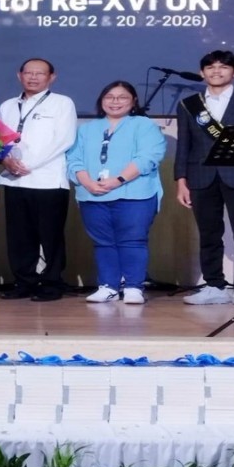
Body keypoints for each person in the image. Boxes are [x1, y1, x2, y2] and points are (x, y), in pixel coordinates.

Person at [175, 50, 234, 307]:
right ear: (202, 72)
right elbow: (183, 146)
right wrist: (181, 180)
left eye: (223, 67)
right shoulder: (189, 104)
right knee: (208, 233)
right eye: (210, 67)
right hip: (200, 177)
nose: (216, 71)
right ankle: (214, 285)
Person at [67, 81, 166, 304]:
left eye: (122, 97)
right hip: (92, 194)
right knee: (103, 242)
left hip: (134, 194)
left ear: (133, 101)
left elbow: (148, 156)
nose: (115, 101)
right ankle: (108, 286)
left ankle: (133, 287)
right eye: (109, 97)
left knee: (133, 241)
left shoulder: (144, 125)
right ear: (101, 101)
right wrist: (87, 183)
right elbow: (74, 159)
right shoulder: (87, 129)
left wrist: (118, 180)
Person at [0, 58, 77, 302]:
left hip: (48, 180)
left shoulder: (62, 103)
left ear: (51, 77)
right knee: (19, 236)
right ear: (19, 75)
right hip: (14, 180)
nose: (33, 77)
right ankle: (24, 282)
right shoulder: (7, 105)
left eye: (39, 73)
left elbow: (64, 140)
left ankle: (52, 283)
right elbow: (0, 141)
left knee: (50, 235)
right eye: (28, 73)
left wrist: (28, 165)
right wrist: (6, 161)